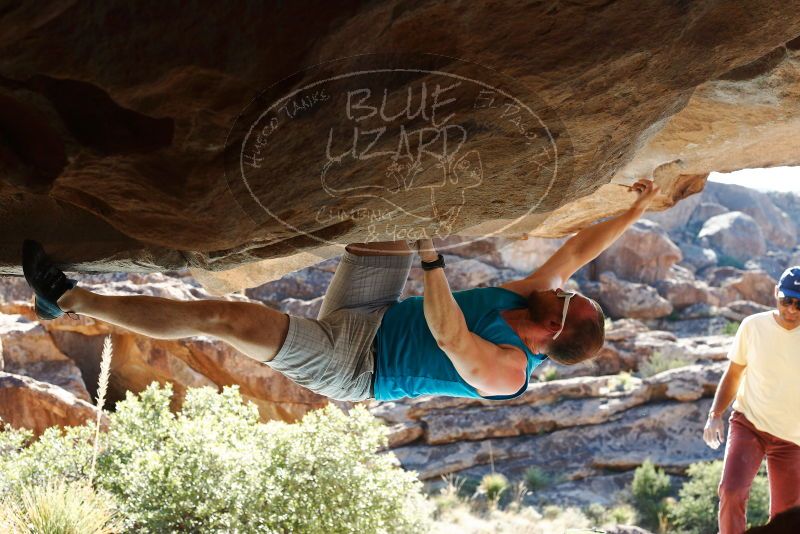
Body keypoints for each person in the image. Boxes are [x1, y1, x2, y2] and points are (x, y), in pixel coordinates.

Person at [22, 179, 659, 402]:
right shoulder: (526, 301)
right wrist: (637, 211)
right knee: (386, 216)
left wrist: (431, 254)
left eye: (569, 298)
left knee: (224, 318)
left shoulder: (507, 371)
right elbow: (576, 250)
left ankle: (68, 300)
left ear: (556, 331)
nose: (566, 287)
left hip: (355, 366)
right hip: (374, 314)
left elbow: (446, 333)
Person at [704, 267, 800, 534]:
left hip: (793, 440)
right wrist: (715, 415)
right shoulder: (753, 326)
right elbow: (734, 373)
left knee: (787, 516)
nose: (792, 309)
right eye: (786, 300)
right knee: (731, 492)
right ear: (775, 294)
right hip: (749, 423)